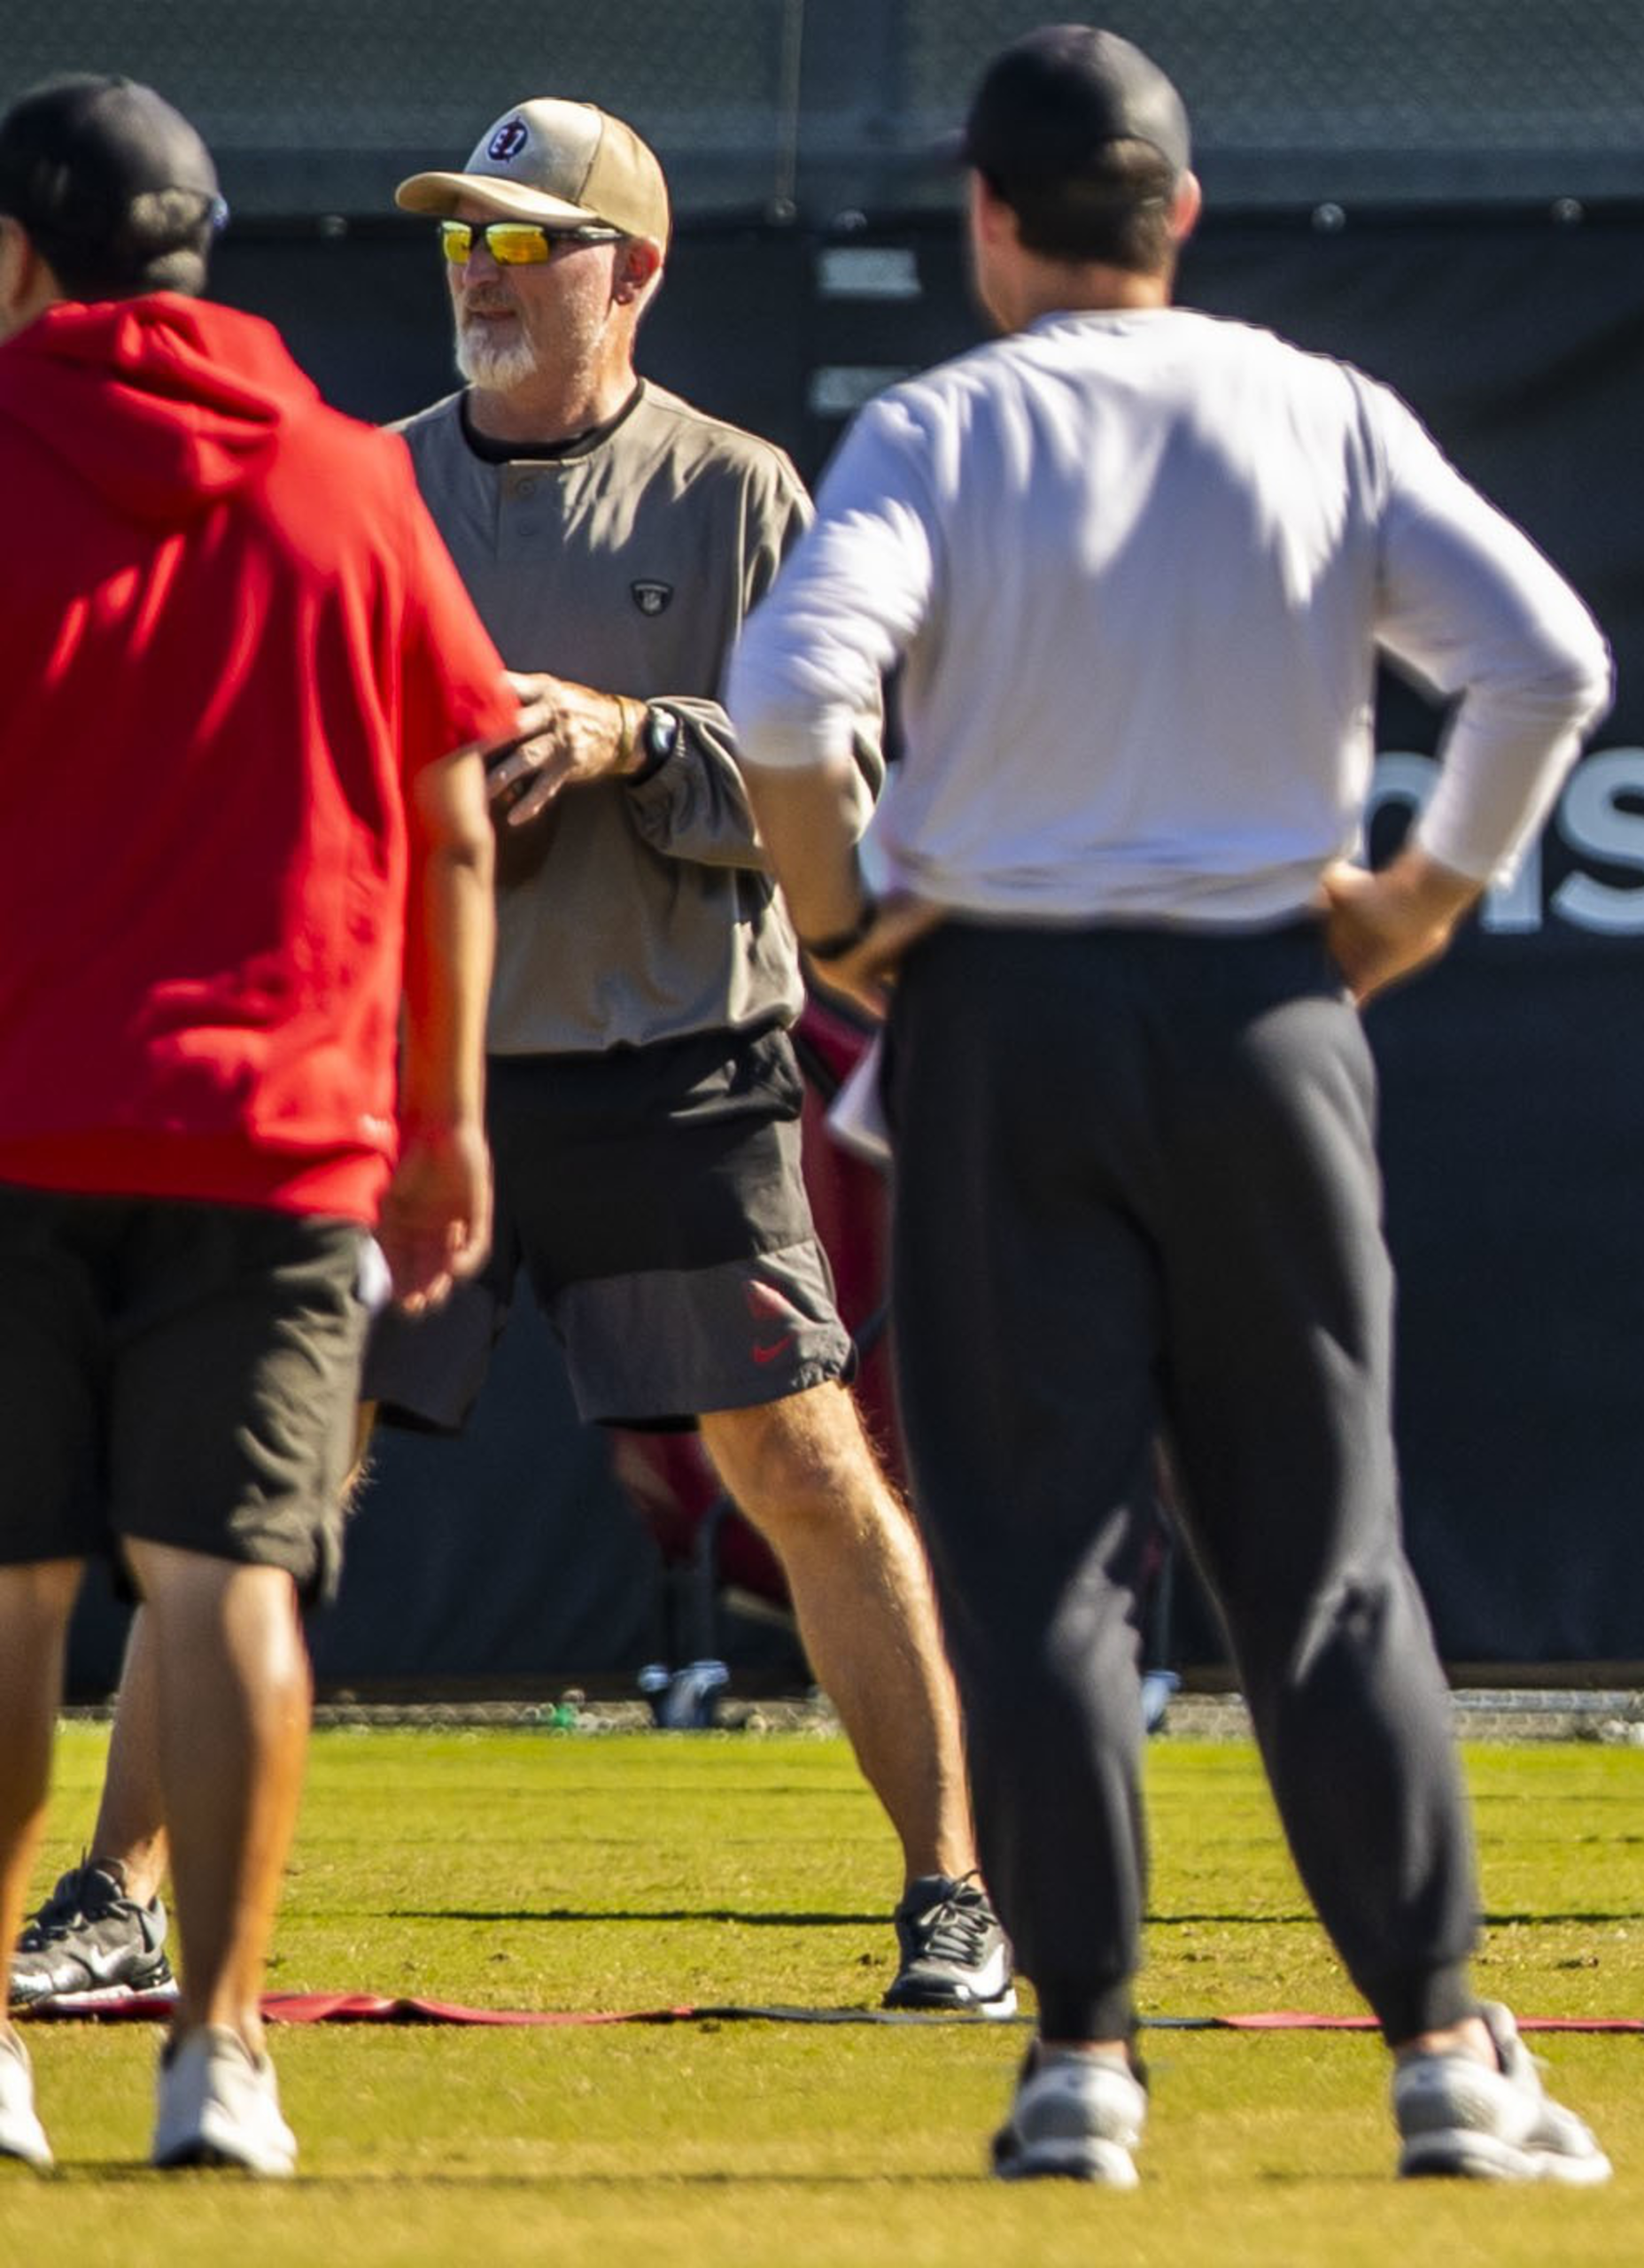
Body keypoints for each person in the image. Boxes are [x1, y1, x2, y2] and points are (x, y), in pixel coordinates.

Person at [10, 94, 1015, 2023]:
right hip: (404, 1073)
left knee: (802, 1462)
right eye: (460, 239)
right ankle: (111, 1894)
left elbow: (843, 798)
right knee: (254, 1494)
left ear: (629, 272)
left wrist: (638, 738)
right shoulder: (370, 482)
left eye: (518, 239)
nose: (476, 271)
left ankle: (950, 1893)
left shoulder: (736, 493)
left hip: (670, 1068)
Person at [727, 24, 1617, 2187]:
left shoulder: (943, 426)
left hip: (1004, 1022)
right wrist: (1413, 902)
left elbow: (780, 699)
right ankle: (1439, 2055)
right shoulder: (1316, 406)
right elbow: (1549, 663)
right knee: (1322, 1560)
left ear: (989, 215)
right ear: (1184, 213)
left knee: (1034, 1560)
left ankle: (1084, 2065)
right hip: (1261, 1019)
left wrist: (844, 916)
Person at [0, 74, 508, 2174]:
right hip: (287, 1128)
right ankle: (218, 2044)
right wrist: (447, 1121)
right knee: (229, 1584)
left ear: (28, 247)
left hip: (20, 1121)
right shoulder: (342, 476)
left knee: (12, 1591)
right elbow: (456, 817)